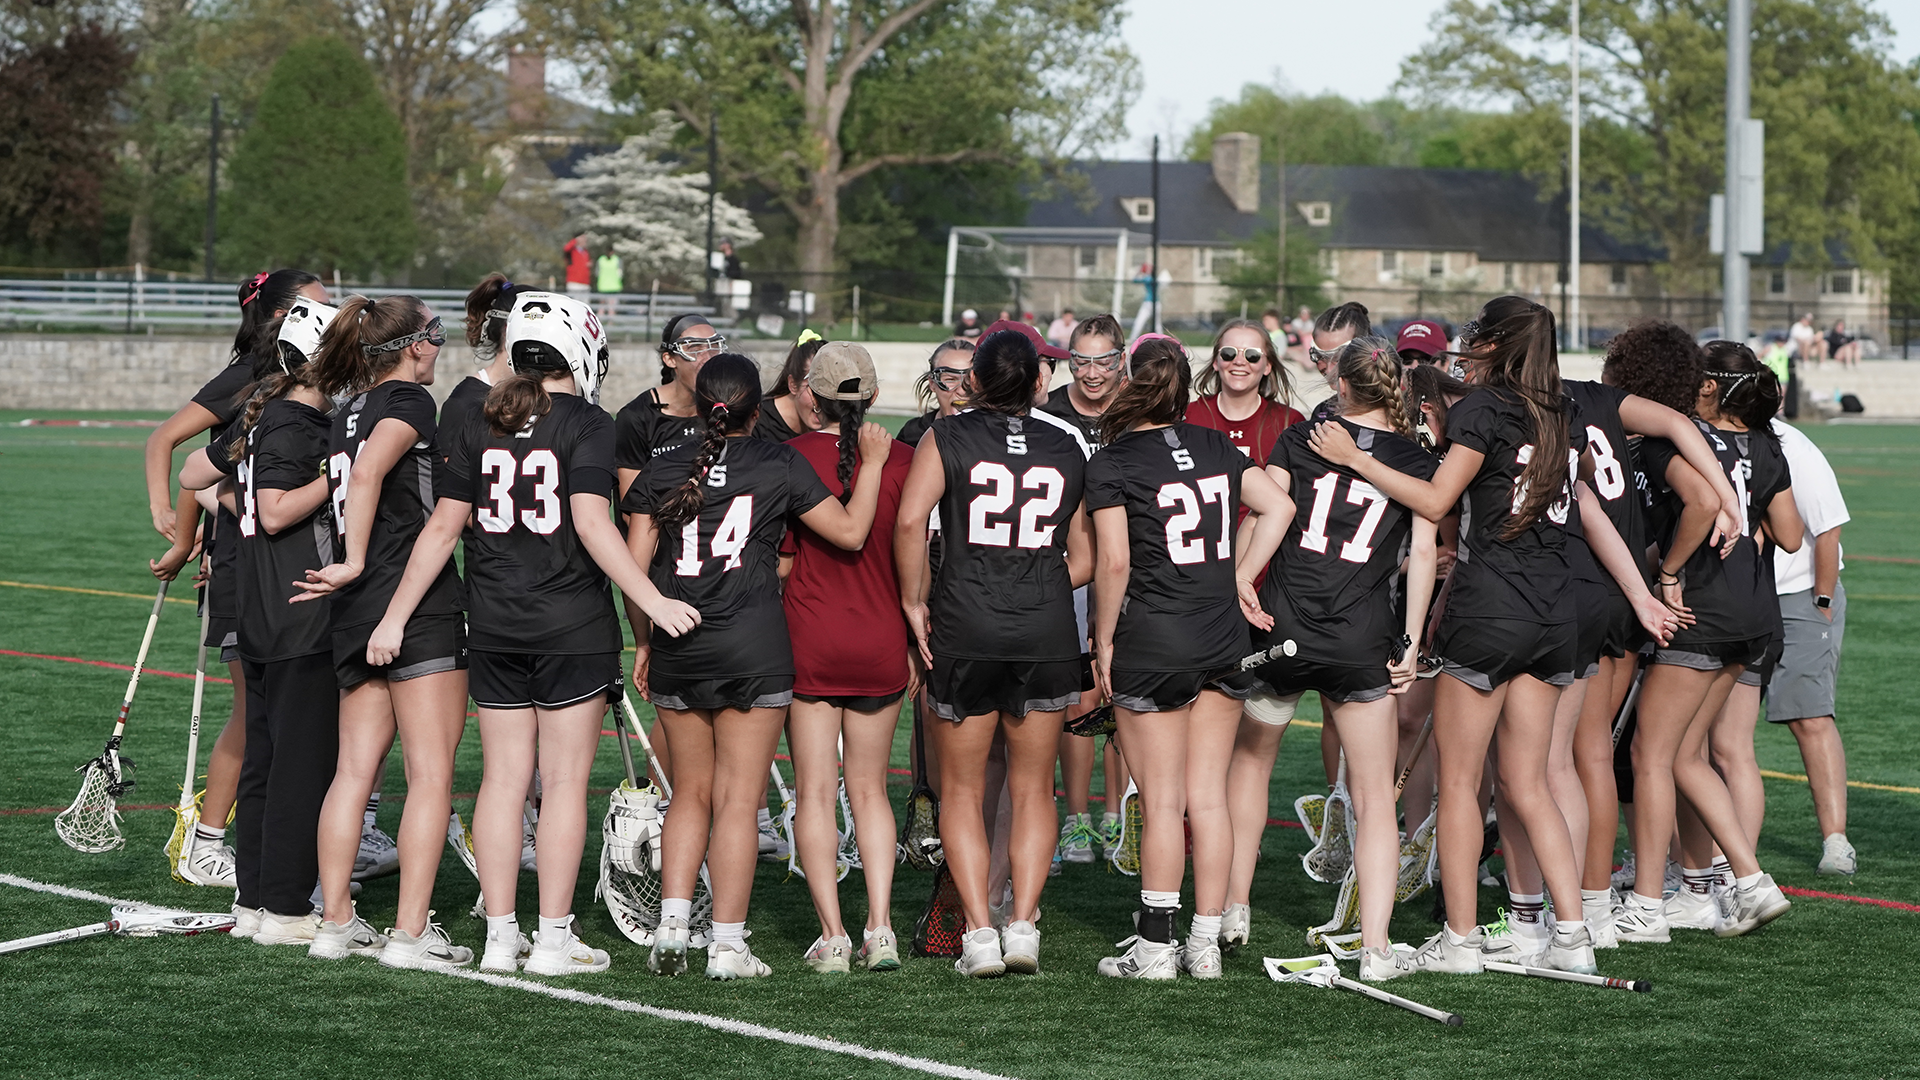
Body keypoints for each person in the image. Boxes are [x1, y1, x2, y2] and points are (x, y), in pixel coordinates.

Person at [371, 293, 696, 976]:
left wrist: (395, 615)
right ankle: (550, 939)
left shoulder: (477, 417)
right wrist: (652, 600)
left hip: (492, 623)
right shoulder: (587, 421)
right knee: (564, 783)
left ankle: (497, 935)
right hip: (569, 624)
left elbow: (441, 528)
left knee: (502, 781)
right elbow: (590, 522)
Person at [1311, 295, 1598, 976]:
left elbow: (1437, 500)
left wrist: (1357, 458)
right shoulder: (1563, 409)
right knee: (1528, 782)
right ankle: (1575, 936)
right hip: (1556, 612)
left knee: (1464, 783)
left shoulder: (1483, 409)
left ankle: (1462, 939)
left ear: (1495, 343)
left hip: (1492, 608)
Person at [624, 353, 889, 980]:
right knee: (738, 803)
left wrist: (642, 642)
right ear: (756, 405)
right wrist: (873, 466)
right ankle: (727, 945)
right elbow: (850, 533)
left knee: (687, 795)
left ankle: (670, 928)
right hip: (752, 646)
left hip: (679, 643)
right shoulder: (779, 460)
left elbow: (634, 572)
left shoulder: (662, 464)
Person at [1088, 334, 1294, 980]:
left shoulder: (1114, 461)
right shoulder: (1213, 444)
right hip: (1220, 637)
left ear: (1132, 387)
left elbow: (1116, 561)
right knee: (1209, 797)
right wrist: (1240, 574)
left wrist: (1102, 640)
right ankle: (1203, 945)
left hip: (1155, 636)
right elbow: (1279, 506)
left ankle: (1154, 948)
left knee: (1163, 800)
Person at [895, 328, 1094, 978]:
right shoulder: (1066, 441)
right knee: (1037, 787)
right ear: (1040, 382)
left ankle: (979, 933)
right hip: (1042, 625)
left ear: (974, 381)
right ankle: (1024, 925)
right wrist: (1031, 583)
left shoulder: (946, 435)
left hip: (967, 623)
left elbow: (908, 521)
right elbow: (1087, 553)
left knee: (961, 786)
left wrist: (913, 601)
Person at [1242, 337, 1440, 981]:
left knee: (1249, 765)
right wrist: (1410, 639)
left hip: (1285, 623)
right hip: (1361, 635)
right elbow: (1424, 555)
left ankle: (1229, 910)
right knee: (1375, 797)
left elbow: (1266, 514)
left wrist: (1240, 578)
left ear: (1345, 386)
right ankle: (1377, 947)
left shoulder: (1306, 437)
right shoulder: (1415, 458)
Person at [290, 294, 473, 968]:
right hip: (412, 600)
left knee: (354, 772)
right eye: (437, 334)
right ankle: (411, 933)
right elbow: (369, 473)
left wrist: (351, 567)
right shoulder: (411, 403)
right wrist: (358, 558)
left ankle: (335, 922)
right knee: (431, 776)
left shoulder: (345, 413)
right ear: (414, 345)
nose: (441, 347)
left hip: (356, 609)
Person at [1603, 337, 1802, 942]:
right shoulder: (1768, 444)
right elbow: (1791, 536)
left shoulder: (1669, 441)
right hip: (1754, 610)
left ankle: (1649, 904)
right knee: (1688, 756)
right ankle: (1742, 881)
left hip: (1700, 609)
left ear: (1709, 386)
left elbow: (1702, 502)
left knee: (1650, 757)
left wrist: (1667, 573)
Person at [142, 270, 334, 891]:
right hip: (247, 566)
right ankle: (209, 841)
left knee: (297, 712)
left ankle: (300, 841)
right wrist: (178, 532)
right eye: (318, 307)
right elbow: (188, 457)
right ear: (284, 316)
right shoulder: (255, 377)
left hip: (277, 561)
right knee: (258, 712)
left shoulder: (315, 390)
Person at [176, 333, 340, 947]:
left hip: (261, 609)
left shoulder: (270, 412)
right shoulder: (300, 425)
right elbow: (273, 510)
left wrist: (233, 498)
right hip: (299, 609)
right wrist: (341, 477)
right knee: (300, 763)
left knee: (267, 757)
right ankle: (287, 907)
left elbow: (199, 477)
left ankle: (256, 899)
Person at [780, 343, 917, 973]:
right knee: (870, 791)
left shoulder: (788, 457)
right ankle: (880, 927)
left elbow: (780, 564)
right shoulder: (906, 461)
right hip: (882, 638)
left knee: (814, 791)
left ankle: (833, 934)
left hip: (810, 637)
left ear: (813, 393)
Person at [1764, 417, 1853, 874]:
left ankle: (1836, 842)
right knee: (1716, 731)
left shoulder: (1792, 445)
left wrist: (1820, 600)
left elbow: (1829, 525)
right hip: (1740, 597)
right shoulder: (1697, 435)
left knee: (1810, 716)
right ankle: (1704, 860)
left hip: (1798, 595)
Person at [613, 313, 726, 501]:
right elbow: (631, 506)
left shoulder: (725, 410)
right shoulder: (637, 417)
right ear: (670, 359)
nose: (707, 358)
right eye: (695, 349)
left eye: (713, 347)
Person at [1188, 317, 1304, 463]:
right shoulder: (1188, 417)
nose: (1239, 361)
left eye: (1252, 355)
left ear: (1267, 366)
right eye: (1229, 353)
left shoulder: (1290, 422)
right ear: (1215, 362)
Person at [1042, 313, 1123, 447]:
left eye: (1103, 363)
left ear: (1121, 360)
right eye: (1081, 362)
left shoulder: (1138, 411)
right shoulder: (1047, 412)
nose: (1092, 374)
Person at [898, 340, 976, 448]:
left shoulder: (997, 433)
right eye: (950, 379)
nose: (961, 390)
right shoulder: (913, 434)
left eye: (969, 380)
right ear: (932, 383)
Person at [1306, 303, 1371, 425]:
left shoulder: (1388, 412)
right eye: (1319, 356)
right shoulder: (1322, 412)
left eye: (1339, 357)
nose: (1329, 369)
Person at [756, 330, 826, 443]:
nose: (823, 398)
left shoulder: (835, 425)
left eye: (831, 387)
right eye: (814, 387)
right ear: (793, 385)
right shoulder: (757, 421)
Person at [594, 251, 623, 316]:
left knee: (601, 307)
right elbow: (620, 274)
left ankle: (600, 323)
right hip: (614, 287)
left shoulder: (601, 260)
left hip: (603, 287)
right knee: (611, 308)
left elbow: (597, 273)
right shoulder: (617, 260)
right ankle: (611, 324)